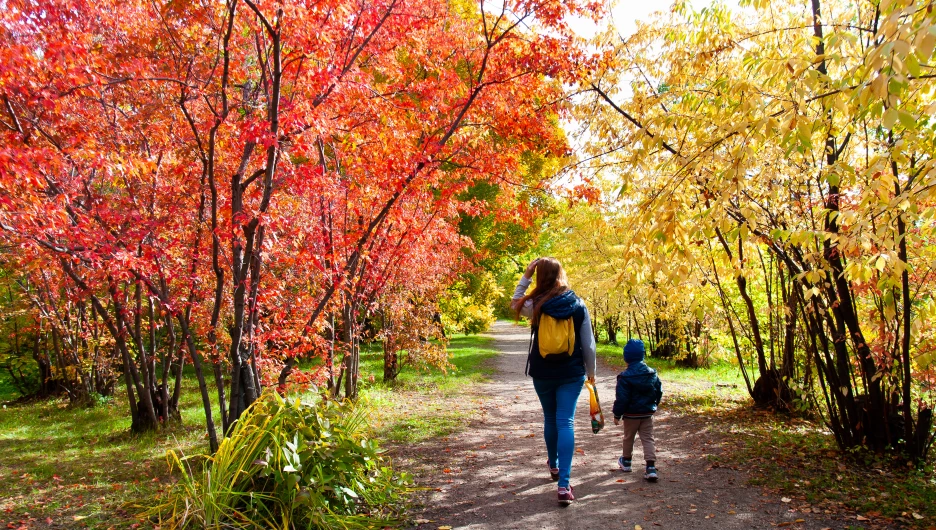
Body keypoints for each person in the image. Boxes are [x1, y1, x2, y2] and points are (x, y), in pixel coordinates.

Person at [511, 257, 596, 506]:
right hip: (571, 373)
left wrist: (526, 275)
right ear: (561, 274)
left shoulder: (535, 304)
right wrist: (591, 373)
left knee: (550, 418)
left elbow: (515, 302)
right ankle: (563, 485)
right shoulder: (578, 304)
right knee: (565, 421)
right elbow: (588, 344)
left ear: (540, 277)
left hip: (543, 371)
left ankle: (554, 466)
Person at [612, 339, 663, 482]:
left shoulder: (625, 377)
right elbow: (658, 391)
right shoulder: (651, 373)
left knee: (629, 437)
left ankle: (627, 461)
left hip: (631, 415)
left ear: (626, 357)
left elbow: (622, 398)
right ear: (642, 355)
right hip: (647, 413)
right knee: (648, 438)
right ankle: (651, 467)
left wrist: (617, 414)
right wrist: (654, 405)